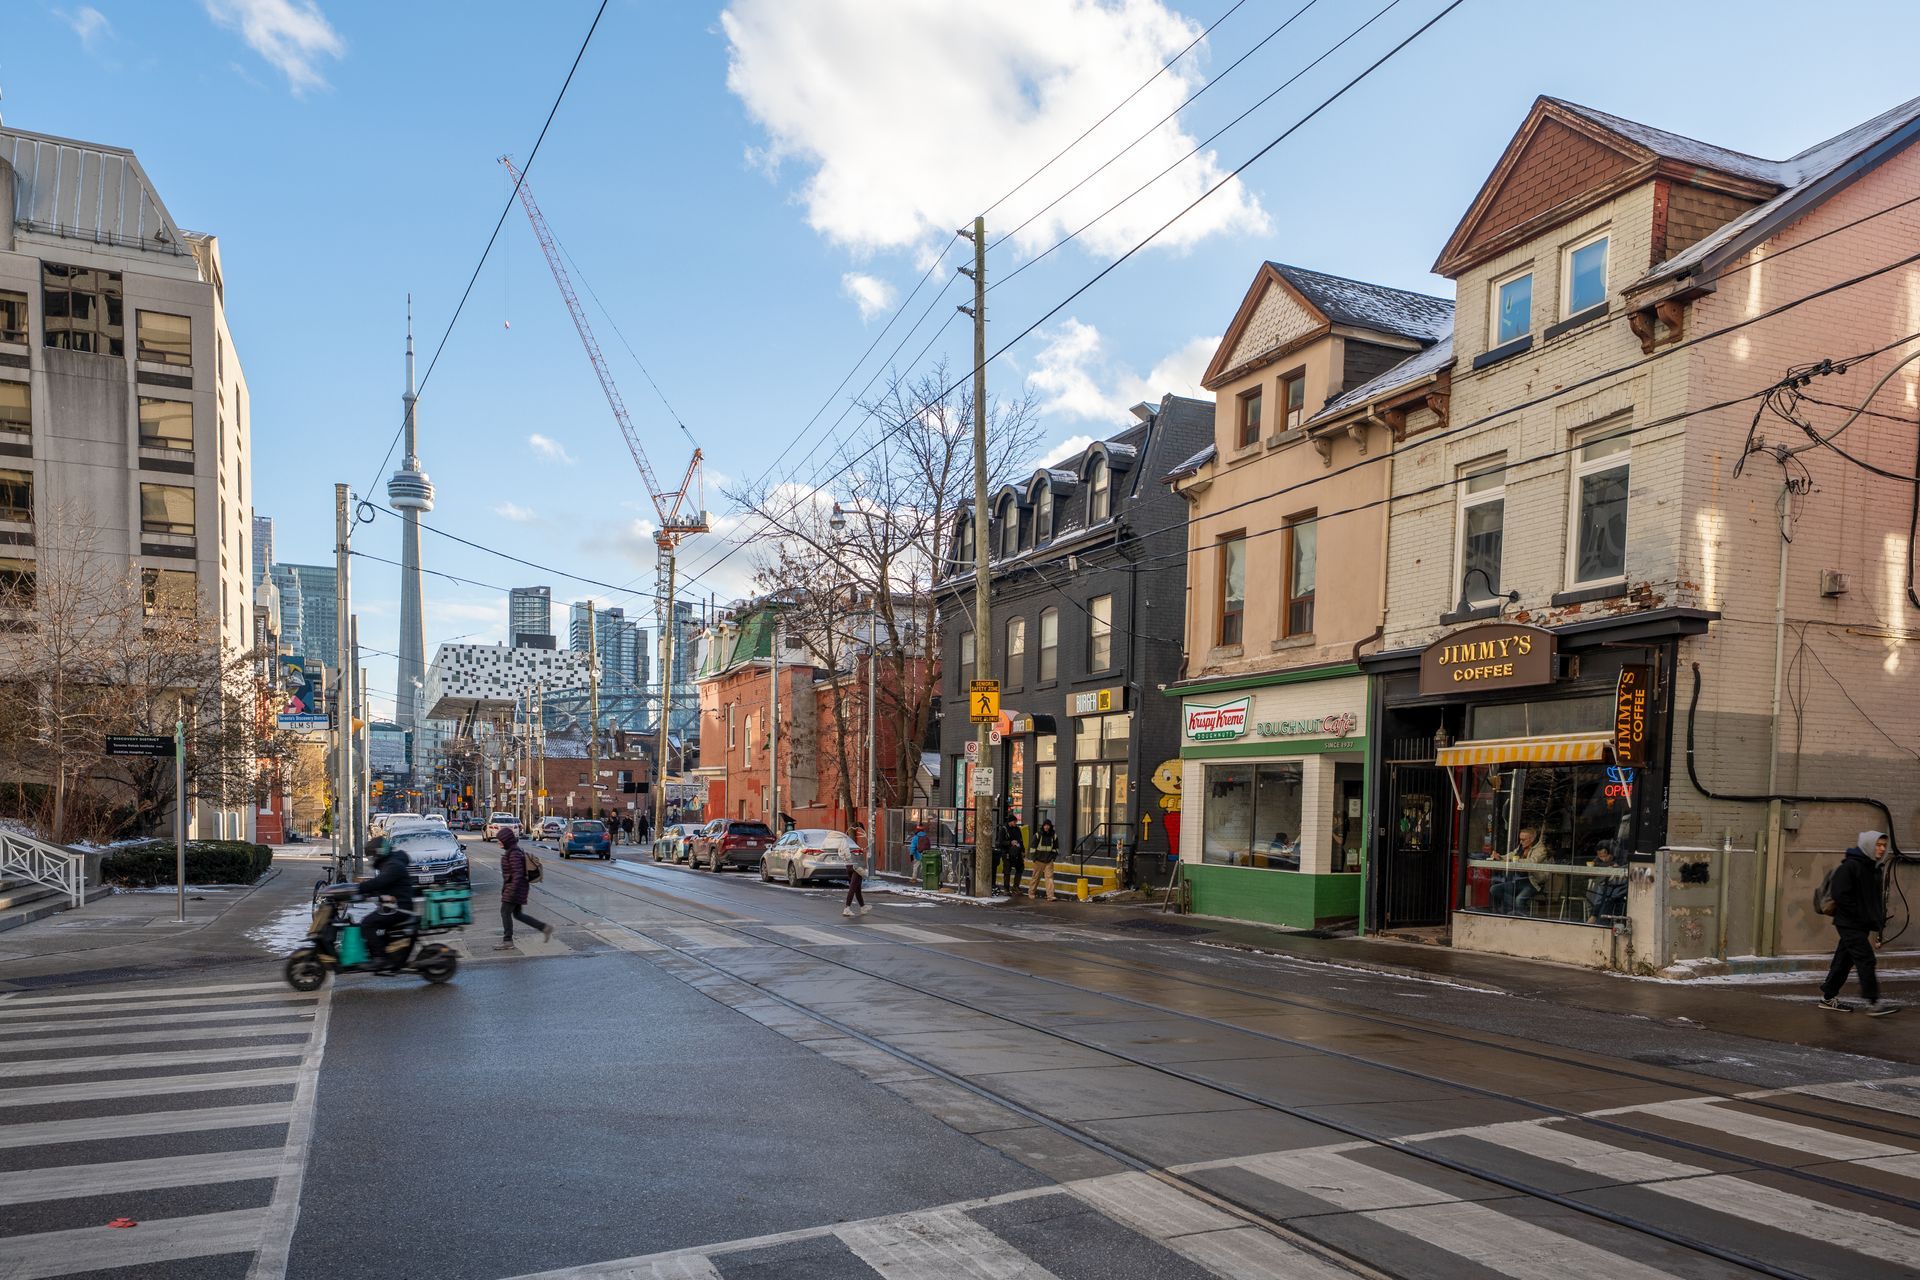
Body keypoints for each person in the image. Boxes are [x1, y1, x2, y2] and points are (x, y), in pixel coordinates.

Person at [1819, 831, 1896, 1015]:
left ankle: (1828, 997)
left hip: (1860, 923)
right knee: (1866, 959)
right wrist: (1857, 914)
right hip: (1849, 923)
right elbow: (1840, 894)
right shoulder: (1851, 867)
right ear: (1868, 845)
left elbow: (1873, 900)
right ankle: (1873, 1002)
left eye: (1884, 845)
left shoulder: (1873, 868)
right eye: (1878, 845)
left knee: (1844, 960)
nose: (1882, 849)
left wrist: (1877, 923)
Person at [354, 836, 415, 972]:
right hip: (394, 906)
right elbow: (384, 884)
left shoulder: (393, 865)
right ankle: (386, 953)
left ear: (379, 853)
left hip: (400, 908)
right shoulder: (391, 862)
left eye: (372, 856)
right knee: (374, 922)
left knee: (368, 923)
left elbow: (381, 882)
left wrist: (360, 888)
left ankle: (379, 958)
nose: (372, 859)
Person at [495, 827, 555, 951]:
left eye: (500, 840)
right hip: (516, 888)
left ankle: (507, 941)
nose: (498, 842)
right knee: (518, 914)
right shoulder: (512, 851)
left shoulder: (514, 853)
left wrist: (511, 891)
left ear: (506, 840)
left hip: (514, 889)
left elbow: (517, 874)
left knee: (505, 912)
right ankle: (544, 928)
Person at [1584, 840, 1628, 922]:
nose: (1603, 859)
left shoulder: (1622, 857)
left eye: (1605, 856)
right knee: (1599, 888)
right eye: (1600, 856)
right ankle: (1594, 914)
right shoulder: (1599, 859)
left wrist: (1617, 867)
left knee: (1605, 889)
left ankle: (1594, 915)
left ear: (1611, 852)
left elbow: (1628, 867)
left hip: (1621, 886)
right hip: (1606, 887)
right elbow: (1595, 863)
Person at [995, 814, 1026, 896]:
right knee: (1007, 871)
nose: (1016, 823)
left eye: (1016, 821)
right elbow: (999, 842)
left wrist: (1023, 851)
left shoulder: (1017, 829)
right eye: (1014, 821)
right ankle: (1006, 888)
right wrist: (1010, 842)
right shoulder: (1004, 830)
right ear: (1010, 821)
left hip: (1017, 852)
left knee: (1020, 868)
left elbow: (1021, 841)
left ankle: (1016, 886)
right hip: (1007, 853)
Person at [1031, 819, 1061, 901]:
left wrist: (1053, 857)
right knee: (1036, 877)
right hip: (1038, 861)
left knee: (1049, 878)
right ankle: (1031, 893)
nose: (1046, 827)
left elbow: (1056, 848)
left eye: (1048, 825)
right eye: (1045, 825)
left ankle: (1050, 896)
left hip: (1049, 861)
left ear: (1050, 826)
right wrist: (1034, 858)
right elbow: (1032, 847)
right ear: (1043, 826)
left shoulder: (1053, 835)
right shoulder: (1038, 835)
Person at [841, 833, 870, 918]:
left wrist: (863, 850)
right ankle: (847, 908)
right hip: (856, 867)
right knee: (853, 888)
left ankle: (863, 907)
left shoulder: (843, 844)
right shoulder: (850, 844)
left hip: (849, 867)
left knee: (857, 888)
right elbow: (856, 854)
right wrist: (864, 850)